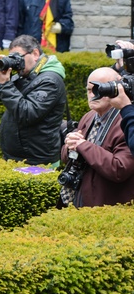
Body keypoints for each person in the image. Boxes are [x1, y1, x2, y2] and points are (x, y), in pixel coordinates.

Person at [59, 68, 134, 207]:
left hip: (107, 210)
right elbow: (66, 158)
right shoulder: (88, 116)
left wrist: (83, 145)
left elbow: (120, 169)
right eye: (89, 90)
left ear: (115, 90)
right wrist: (69, 145)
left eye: (99, 90)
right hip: (78, 200)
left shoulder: (126, 121)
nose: (92, 95)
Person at [0, 34, 67, 165]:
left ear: (35, 54)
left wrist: (5, 84)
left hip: (38, 160)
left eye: (18, 57)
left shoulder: (50, 81)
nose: (16, 62)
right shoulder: (27, 76)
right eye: (12, 57)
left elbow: (27, 113)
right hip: (18, 157)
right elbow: (0, 96)